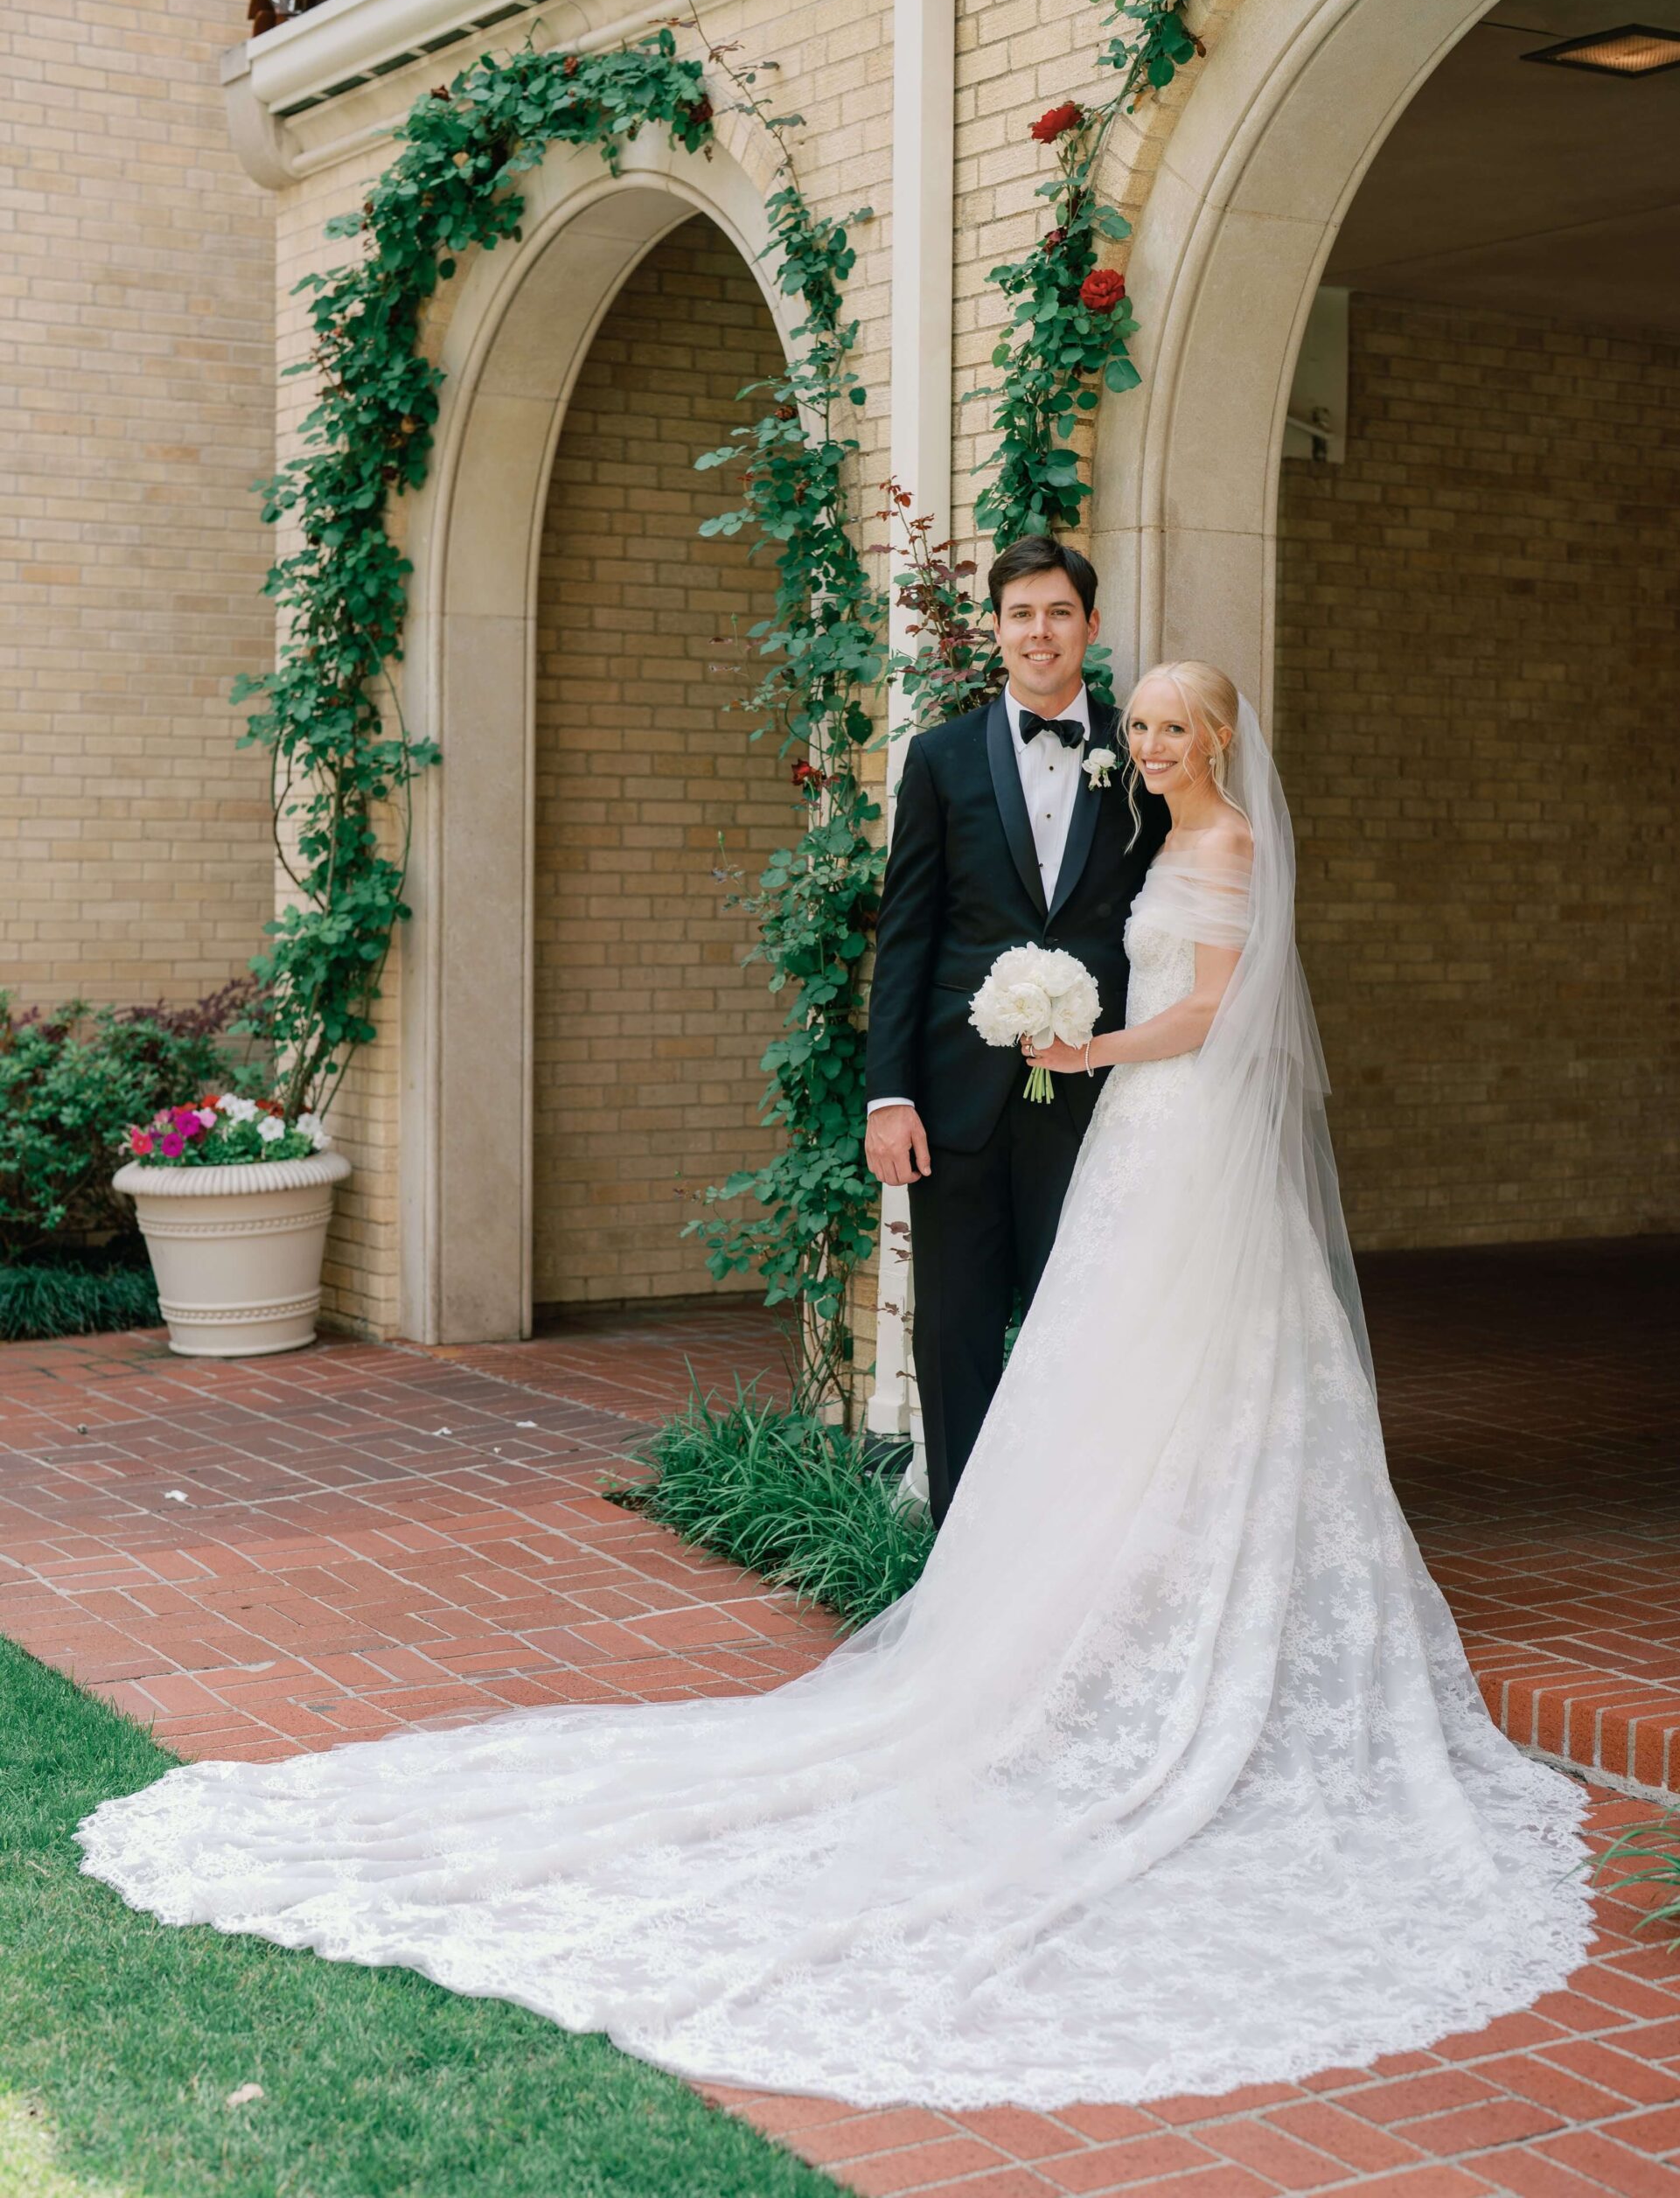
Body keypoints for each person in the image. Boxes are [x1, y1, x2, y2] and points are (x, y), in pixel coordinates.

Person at [78, 659, 1591, 2112]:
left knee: (1222, 1365)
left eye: (1175, 723)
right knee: (1111, 1366)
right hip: (1138, 1129)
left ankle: (1215, 1600)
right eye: (1140, 725)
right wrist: (1047, 1046)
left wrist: (1081, 1042)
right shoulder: (1133, 826)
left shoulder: (1232, 845)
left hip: (1175, 1122)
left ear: (1219, 730)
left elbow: (1218, 1014)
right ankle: (1103, 1604)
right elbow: (943, 934)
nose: (1151, 743)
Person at [864, 534, 1167, 1523]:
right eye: (1021, 614)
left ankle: (1065, 1541)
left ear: (1087, 625)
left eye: (1059, 613)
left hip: (1097, 1099)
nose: (1041, 632)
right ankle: (960, 1546)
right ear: (996, 630)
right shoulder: (939, 757)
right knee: (951, 1327)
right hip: (955, 1099)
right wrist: (889, 1094)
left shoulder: (1139, 757)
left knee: (1080, 1324)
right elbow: (908, 935)